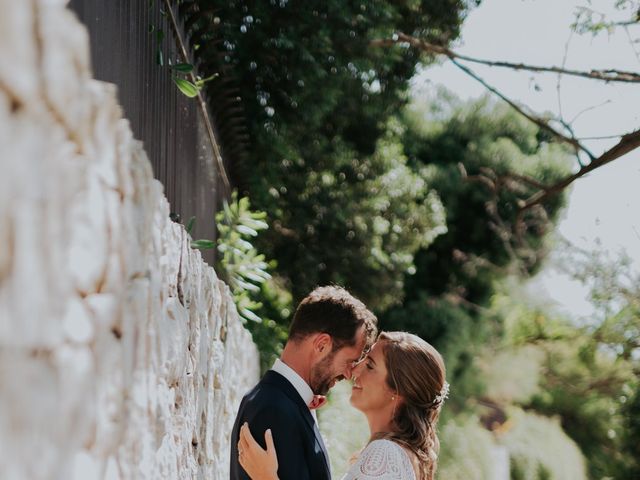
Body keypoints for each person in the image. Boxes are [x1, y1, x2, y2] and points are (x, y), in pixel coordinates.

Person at [237, 331, 449, 480]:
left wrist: (266, 477)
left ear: (397, 391)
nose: (355, 371)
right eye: (363, 359)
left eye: (370, 366)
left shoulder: (386, 454)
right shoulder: (400, 455)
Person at [230, 285, 379, 480]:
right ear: (322, 345)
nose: (349, 374)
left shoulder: (280, 400)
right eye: (349, 362)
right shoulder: (274, 410)